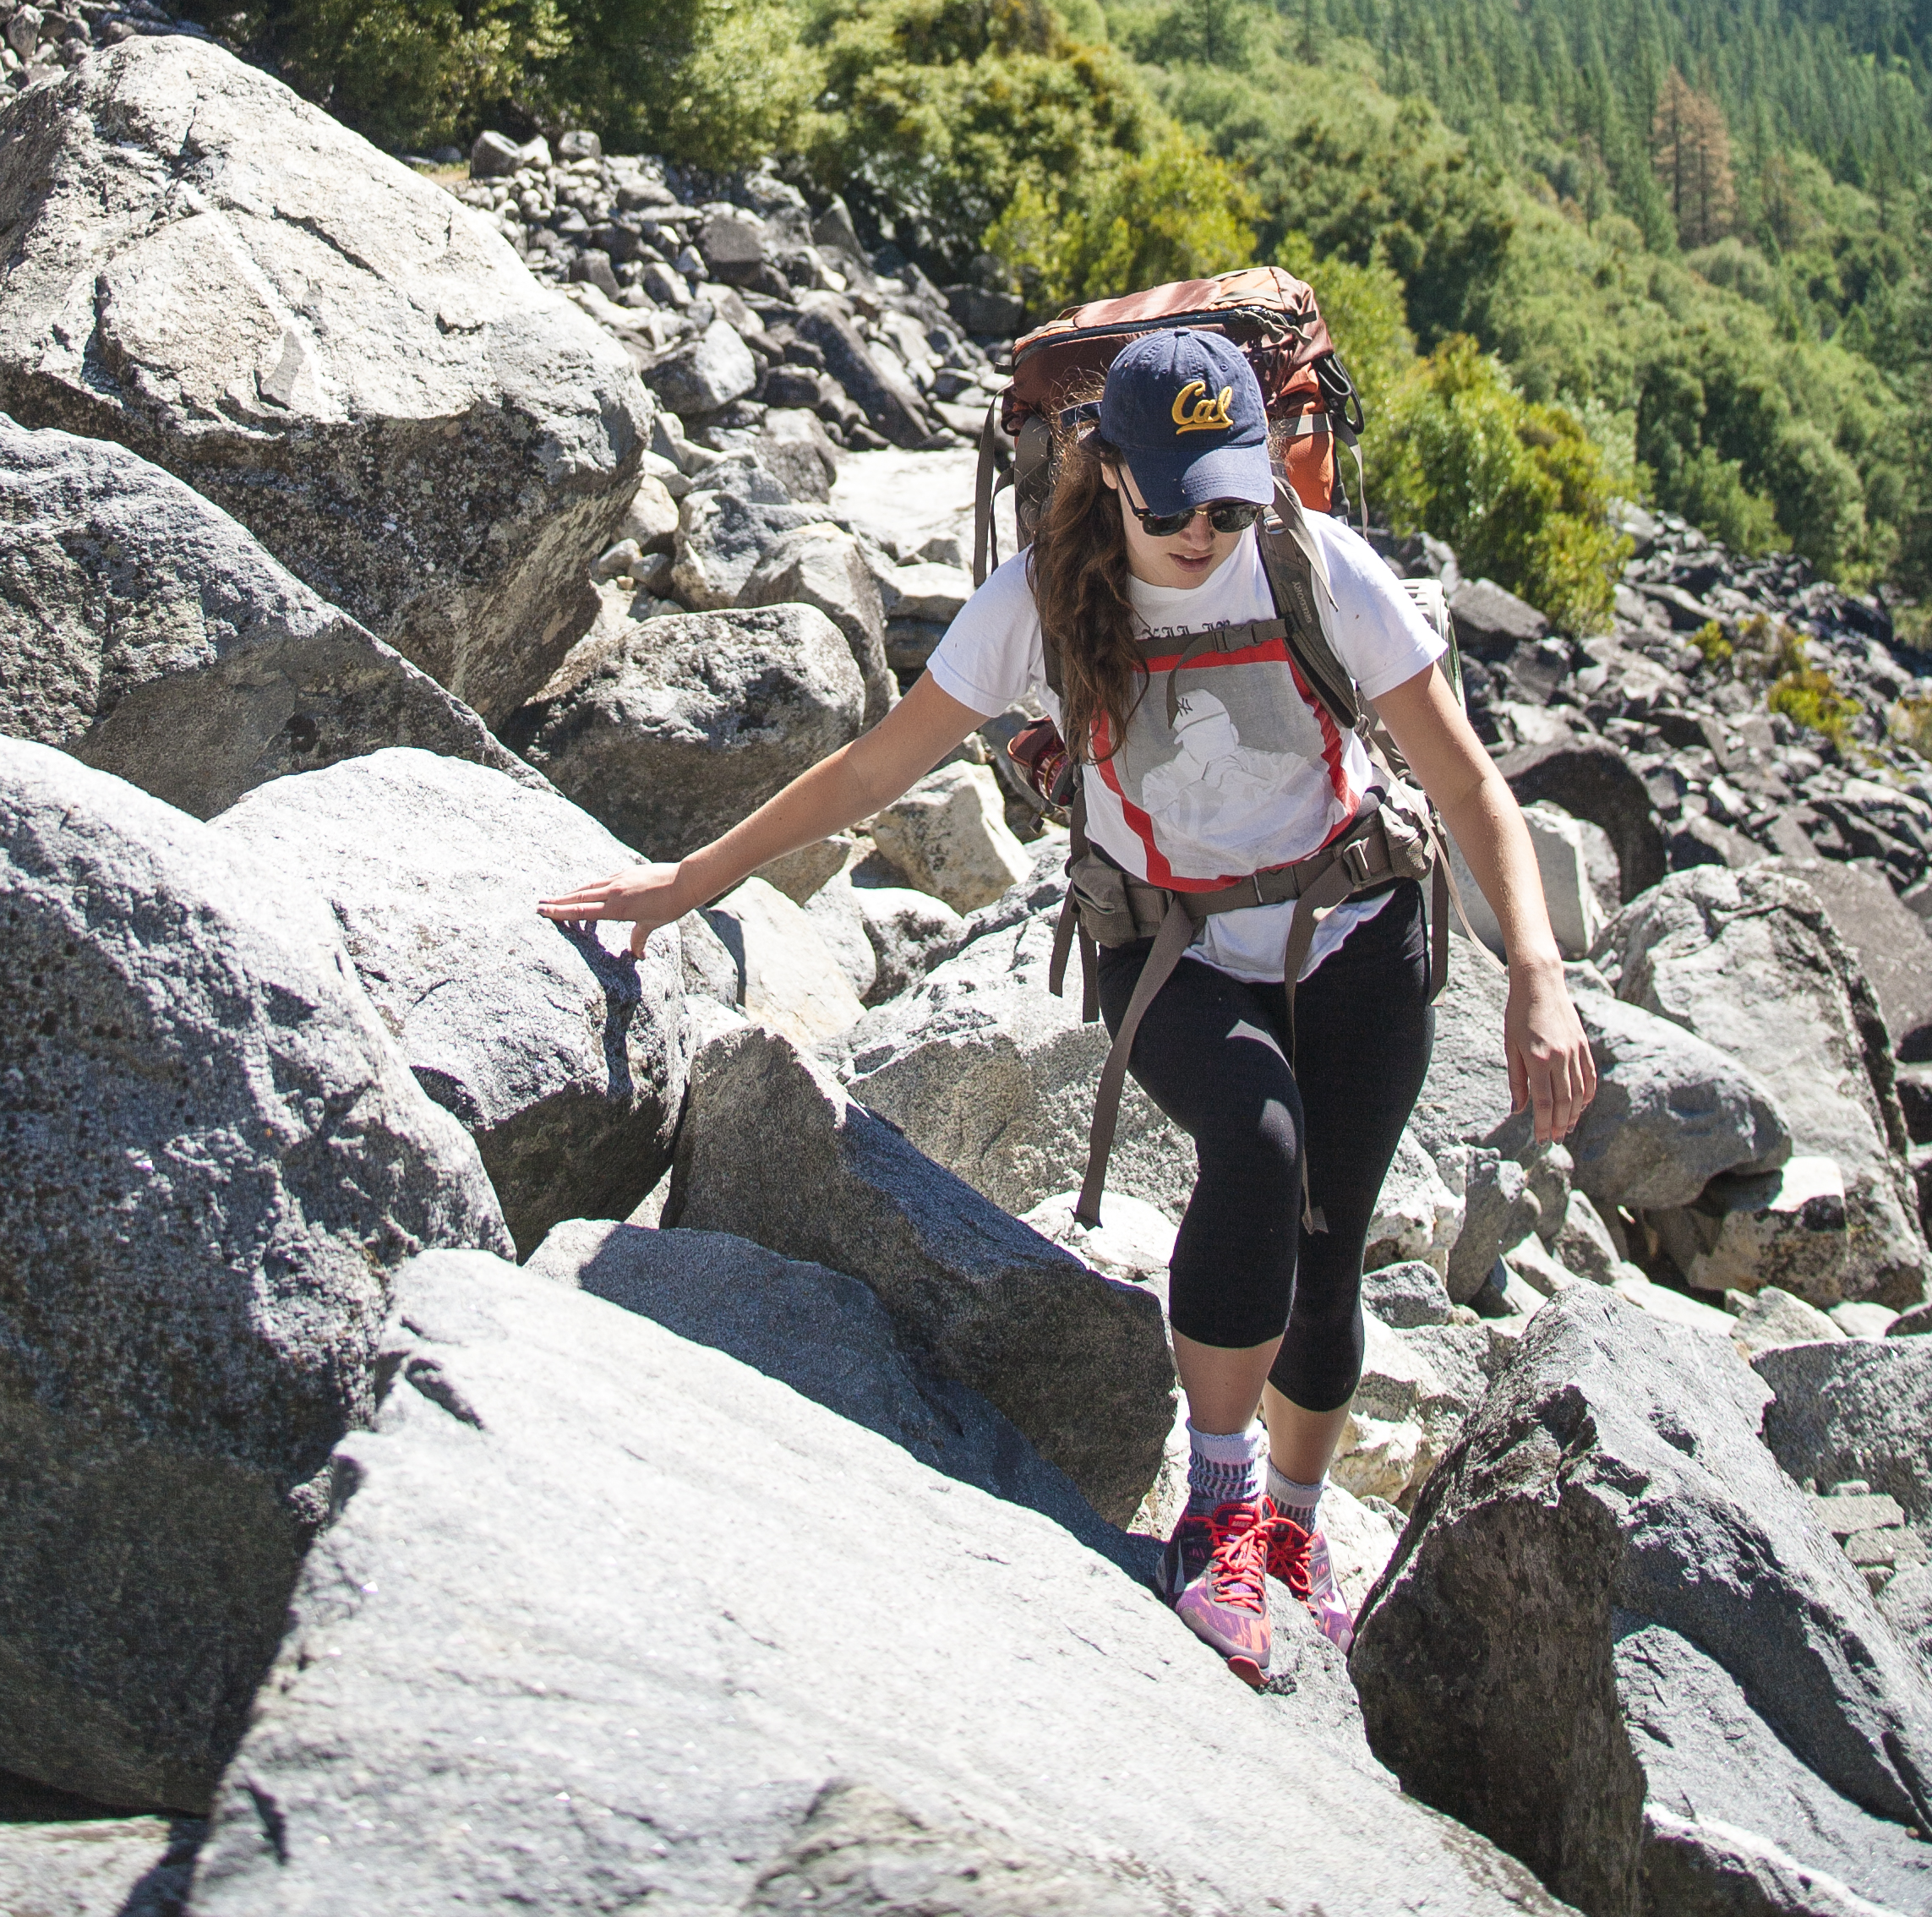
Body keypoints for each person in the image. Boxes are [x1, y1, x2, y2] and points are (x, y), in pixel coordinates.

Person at [540, 321, 1597, 1685]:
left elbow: (1461, 781)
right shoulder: (1037, 605)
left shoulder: (1310, 560)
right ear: (1107, 476)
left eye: (1232, 493)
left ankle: (1294, 1526)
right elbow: (873, 773)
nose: (1208, 530)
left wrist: (1539, 975)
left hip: (1356, 932)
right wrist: (690, 881)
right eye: (1176, 505)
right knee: (1257, 1151)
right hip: (1171, 949)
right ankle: (1215, 1512)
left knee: (1329, 1257)